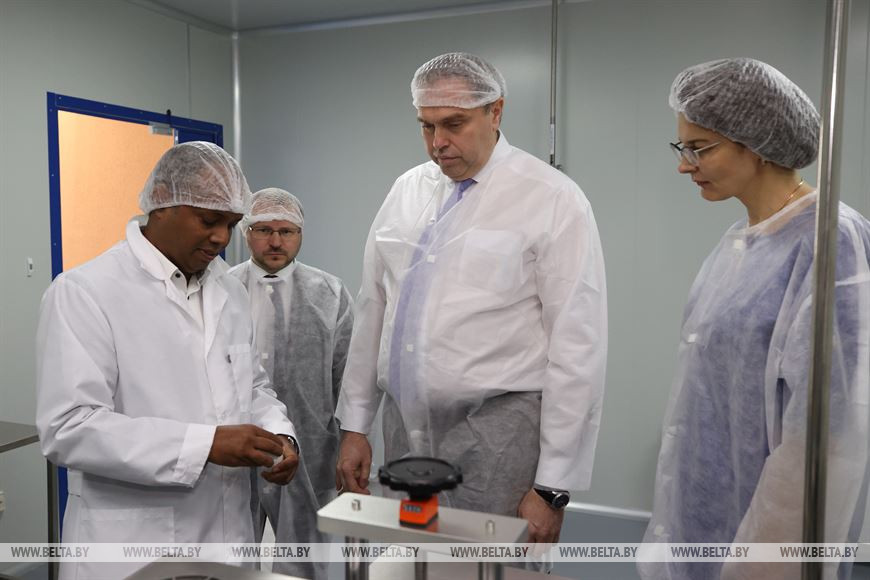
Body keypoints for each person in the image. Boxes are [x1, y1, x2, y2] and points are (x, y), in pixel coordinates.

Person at [334, 52, 608, 544]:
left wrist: (551, 487)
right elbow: (374, 308)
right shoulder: (406, 191)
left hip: (498, 441)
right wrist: (356, 425)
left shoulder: (551, 197)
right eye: (426, 126)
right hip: (404, 433)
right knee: (410, 562)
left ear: (495, 112)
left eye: (454, 124)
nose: (438, 142)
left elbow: (577, 346)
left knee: (490, 568)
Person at [639, 58, 870, 580]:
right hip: (708, 526)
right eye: (682, 147)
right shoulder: (742, 242)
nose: (684, 165)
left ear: (758, 143)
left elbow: (826, 437)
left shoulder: (830, 240)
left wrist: (764, 566)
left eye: (700, 148)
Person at [35, 142, 300, 580]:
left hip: (228, 540)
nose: (221, 238)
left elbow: (252, 386)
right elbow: (69, 427)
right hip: (134, 548)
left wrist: (280, 436)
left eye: (231, 224)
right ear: (161, 201)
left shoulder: (229, 290)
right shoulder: (86, 292)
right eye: (208, 220)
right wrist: (204, 445)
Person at [229, 188, 354, 580]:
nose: (276, 241)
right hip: (235, 446)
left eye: (287, 231)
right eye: (264, 230)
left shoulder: (329, 293)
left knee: (305, 558)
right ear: (246, 233)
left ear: (300, 234)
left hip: (311, 448)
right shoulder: (222, 290)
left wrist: (347, 442)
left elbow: (347, 378)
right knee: (232, 553)